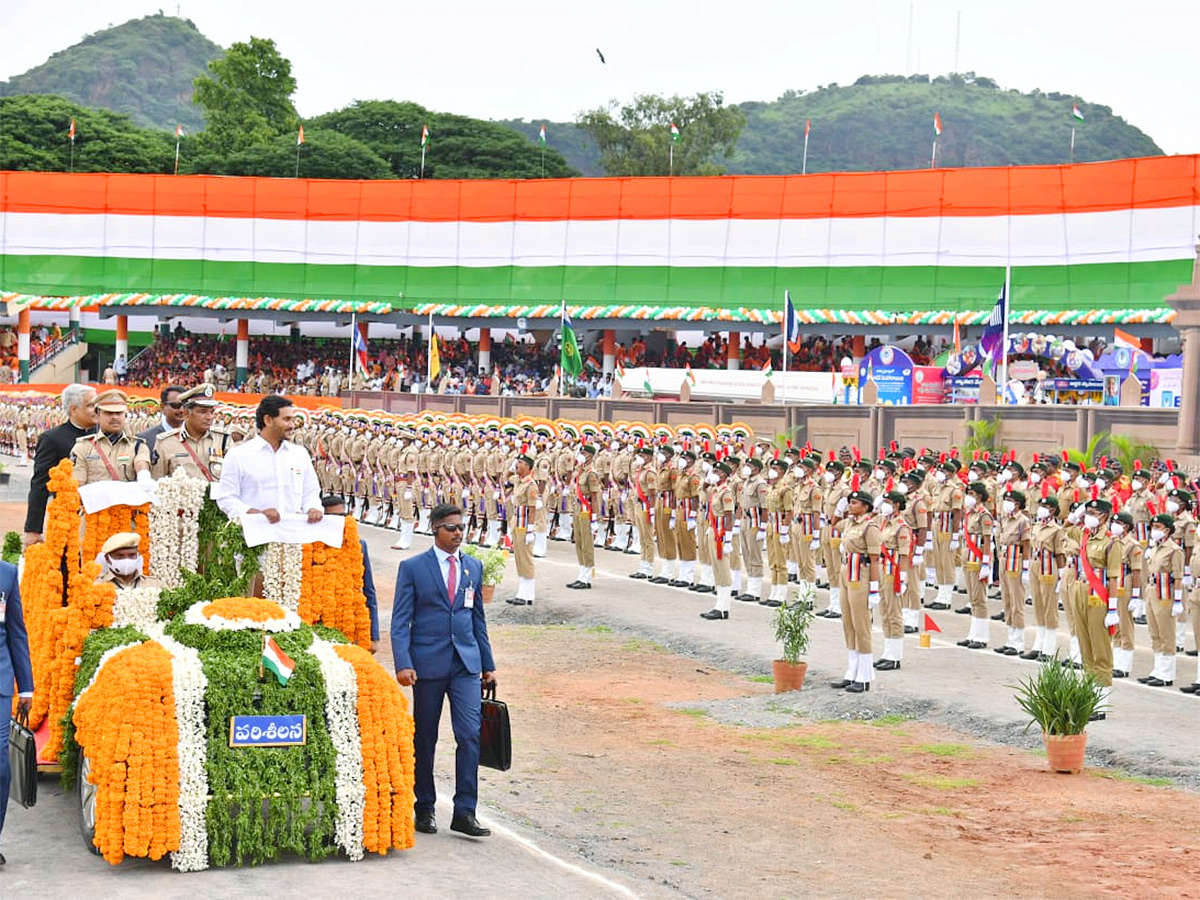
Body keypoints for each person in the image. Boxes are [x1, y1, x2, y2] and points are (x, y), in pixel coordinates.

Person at [391, 503, 496, 839]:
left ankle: (465, 811)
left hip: (465, 664)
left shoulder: (473, 567)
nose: (457, 534)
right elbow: (400, 620)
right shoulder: (413, 568)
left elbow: (477, 618)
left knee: (469, 734)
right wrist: (404, 662)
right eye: (450, 528)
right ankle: (425, 806)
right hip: (428, 666)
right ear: (434, 528)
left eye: (460, 527)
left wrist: (488, 665)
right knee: (425, 737)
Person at [212, 396, 323, 523]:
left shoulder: (299, 454)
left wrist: (312, 508)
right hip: (253, 536)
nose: (292, 425)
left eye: (293, 420)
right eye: (286, 420)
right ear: (268, 420)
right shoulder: (238, 455)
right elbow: (226, 498)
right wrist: (254, 513)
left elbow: (311, 492)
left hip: (293, 534)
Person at [24, 383, 97, 546]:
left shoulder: (103, 435)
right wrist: (33, 530)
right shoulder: (52, 439)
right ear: (73, 409)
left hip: (102, 517)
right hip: (69, 520)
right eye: (91, 405)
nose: (96, 409)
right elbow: (40, 484)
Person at [0, 558, 34, 866]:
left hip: (0, 686)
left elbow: (16, 633)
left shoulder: (7, 574)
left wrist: (26, 687)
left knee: (0, 766)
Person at [320, 496, 380, 652]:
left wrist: (373, 636)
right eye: (333, 517)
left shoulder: (359, 545)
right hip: (321, 625)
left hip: (350, 624)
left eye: (342, 516)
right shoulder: (313, 546)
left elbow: (369, 591)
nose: (339, 521)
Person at [69, 390, 151, 486]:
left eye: (119, 413)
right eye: (108, 413)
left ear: (125, 415)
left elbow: (141, 465)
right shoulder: (83, 447)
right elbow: (77, 484)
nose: (115, 417)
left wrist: (144, 476)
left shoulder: (137, 446)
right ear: (97, 415)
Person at [151, 385, 227, 481]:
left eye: (212, 412)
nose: (209, 417)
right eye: (202, 412)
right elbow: (158, 482)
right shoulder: (166, 443)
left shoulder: (224, 440)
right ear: (186, 413)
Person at [137, 384, 187, 466]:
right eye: (176, 406)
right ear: (162, 407)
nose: (181, 410)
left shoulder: (196, 436)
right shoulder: (145, 439)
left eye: (185, 405)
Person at [94, 532, 159, 590]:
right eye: (120, 556)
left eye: (132, 555)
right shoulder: (96, 585)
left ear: (138, 556)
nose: (126, 560)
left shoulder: (154, 584)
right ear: (107, 558)